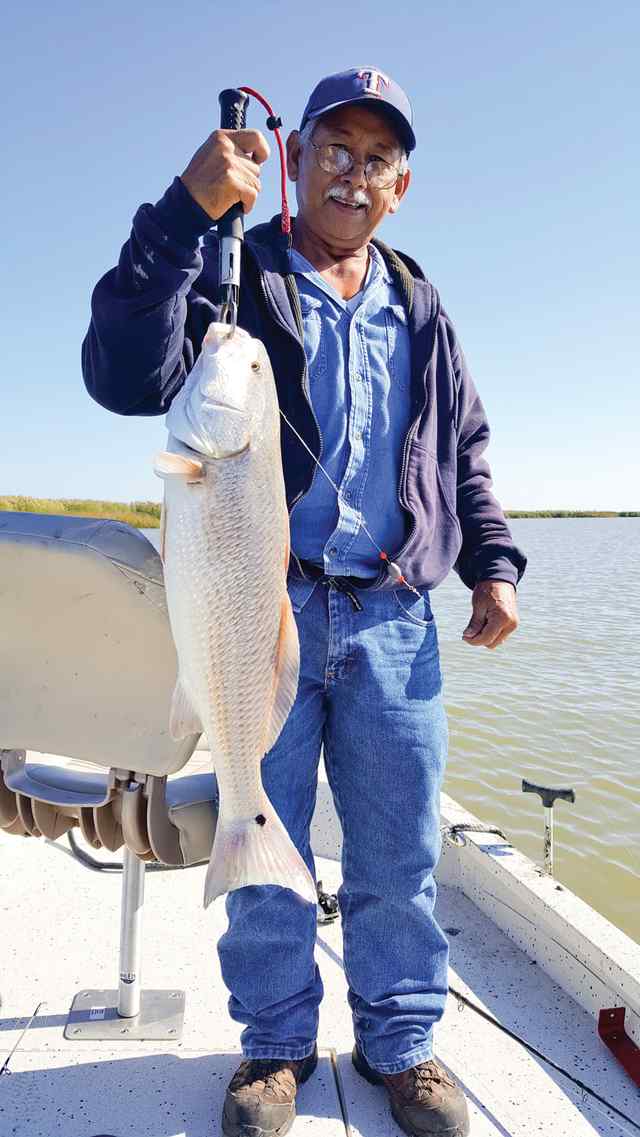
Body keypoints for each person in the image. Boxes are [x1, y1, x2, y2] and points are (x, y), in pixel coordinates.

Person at [83, 66, 526, 1137]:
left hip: (394, 622)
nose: (354, 174)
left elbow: (462, 450)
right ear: (294, 158)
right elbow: (123, 367)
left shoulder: (421, 303)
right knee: (259, 834)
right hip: (256, 605)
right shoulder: (237, 276)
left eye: (377, 159)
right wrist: (188, 209)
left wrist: (494, 563)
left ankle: (401, 1041)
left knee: (396, 851)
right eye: (335, 149)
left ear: (401, 185)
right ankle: (275, 1045)